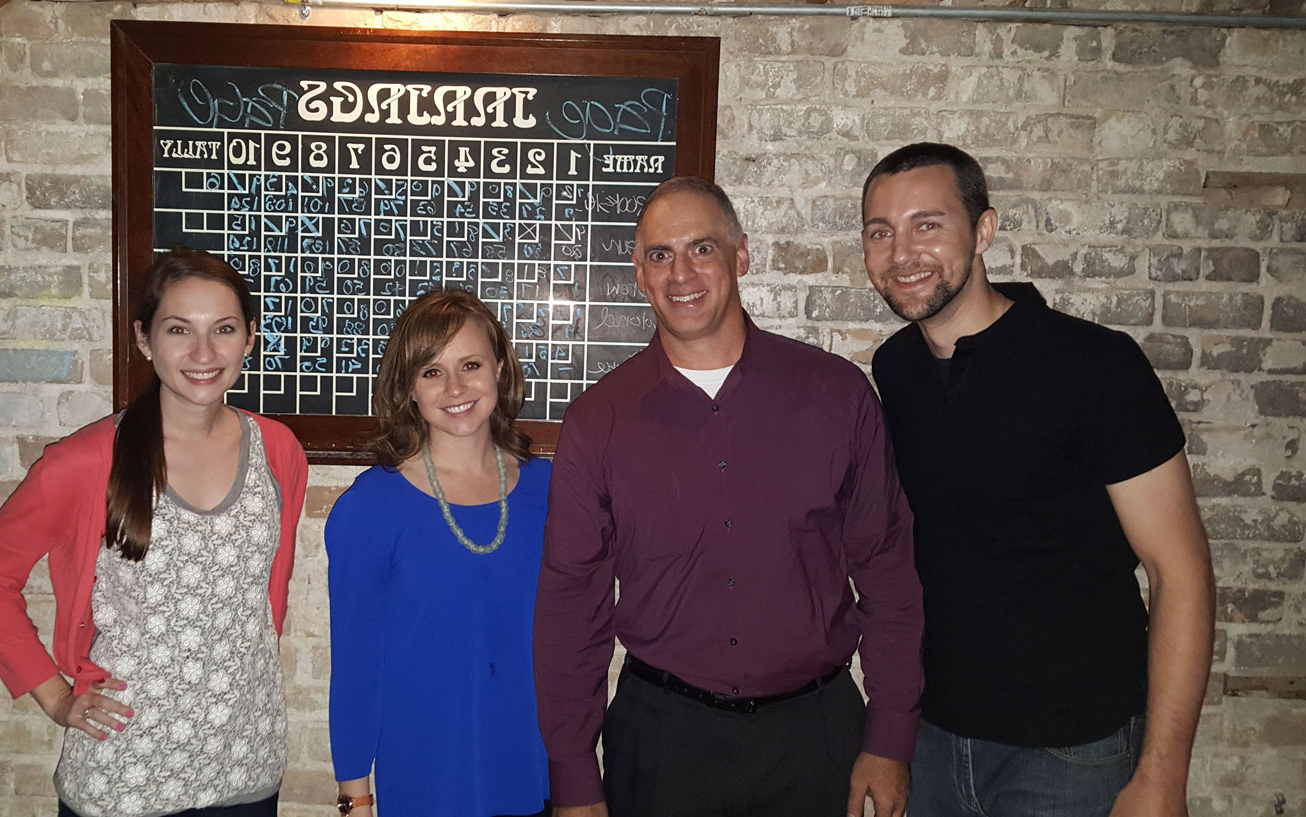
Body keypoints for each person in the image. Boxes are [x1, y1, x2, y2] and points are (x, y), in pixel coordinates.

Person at [533, 176, 924, 817]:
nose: (680, 272)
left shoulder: (836, 395)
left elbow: (887, 570)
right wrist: (574, 776)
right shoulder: (597, 420)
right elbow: (573, 607)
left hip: (817, 740)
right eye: (660, 254)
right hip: (662, 744)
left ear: (740, 255)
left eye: (702, 248)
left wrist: (890, 737)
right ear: (638, 271)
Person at [861, 142, 1216, 817]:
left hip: (1072, 752)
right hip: (934, 740)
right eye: (881, 231)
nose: (901, 251)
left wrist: (1163, 776)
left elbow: (1181, 571)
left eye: (927, 224)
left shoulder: (1095, 366)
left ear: (984, 230)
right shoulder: (896, 371)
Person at [0, 247, 310, 817]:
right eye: (179, 330)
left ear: (249, 340)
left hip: (246, 762)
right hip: (124, 772)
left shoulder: (279, 452)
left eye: (224, 329)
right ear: (145, 340)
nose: (203, 352)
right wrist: (53, 696)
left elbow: (264, 599)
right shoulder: (84, 462)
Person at [324, 289, 552, 817]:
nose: (455, 387)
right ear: (409, 388)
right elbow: (358, 666)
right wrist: (354, 800)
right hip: (426, 781)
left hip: (534, 775)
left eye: (470, 364)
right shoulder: (371, 507)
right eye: (431, 371)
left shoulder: (551, 491)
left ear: (499, 367)